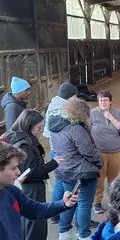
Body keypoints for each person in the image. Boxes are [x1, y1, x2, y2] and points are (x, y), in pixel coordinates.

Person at [5, 110, 59, 240]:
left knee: (27, 227)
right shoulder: (25, 144)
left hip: (28, 189)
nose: (40, 129)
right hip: (32, 189)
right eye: (38, 126)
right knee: (35, 228)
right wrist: (55, 163)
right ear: (29, 125)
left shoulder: (17, 137)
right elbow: (31, 172)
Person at [49, 98, 104, 240]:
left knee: (69, 201)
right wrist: (99, 163)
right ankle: (84, 236)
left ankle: (64, 232)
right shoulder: (76, 129)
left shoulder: (56, 127)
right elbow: (87, 150)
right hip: (83, 172)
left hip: (66, 171)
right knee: (84, 203)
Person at [44, 82, 79, 225]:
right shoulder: (65, 109)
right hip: (65, 153)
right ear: (69, 96)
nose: (76, 99)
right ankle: (67, 222)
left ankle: (54, 214)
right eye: (75, 96)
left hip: (54, 151)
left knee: (59, 183)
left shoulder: (52, 107)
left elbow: (46, 132)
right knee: (69, 186)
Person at [91, 91, 120, 215]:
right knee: (99, 180)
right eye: (101, 100)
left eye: (106, 100)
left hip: (115, 151)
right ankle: (97, 202)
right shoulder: (92, 114)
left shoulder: (117, 114)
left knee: (113, 179)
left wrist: (111, 118)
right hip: (99, 152)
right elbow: (85, 130)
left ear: (110, 101)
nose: (103, 102)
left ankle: (113, 201)